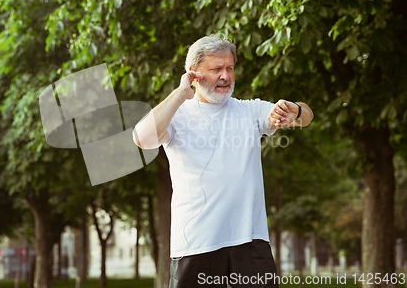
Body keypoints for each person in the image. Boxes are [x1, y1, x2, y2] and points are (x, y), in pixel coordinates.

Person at [133, 35, 313, 288]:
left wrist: (295, 110)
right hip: (197, 244)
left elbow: (305, 117)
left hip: (250, 241)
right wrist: (181, 93)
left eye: (229, 68)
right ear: (193, 74)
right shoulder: (176, 116)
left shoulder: (250, 110)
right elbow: (142, 138)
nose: (225, 76)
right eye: (216, 69)